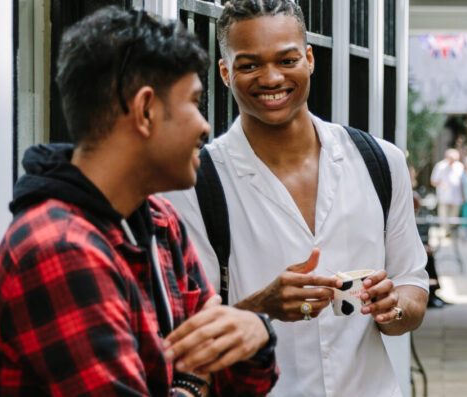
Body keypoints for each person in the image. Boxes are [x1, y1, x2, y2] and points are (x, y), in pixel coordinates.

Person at [0, 7, 278, 396]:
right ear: (146, 110)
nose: (205, 126)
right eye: (194, 102)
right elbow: (204, 375)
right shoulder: (60, 251)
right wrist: (189, 383)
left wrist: (256, 332)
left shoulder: (160, 222)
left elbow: (236, 382)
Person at [158, 1, 429, 395]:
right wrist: (263, 305)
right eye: (249, 65)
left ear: (309, 58)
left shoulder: (381, 162)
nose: (271, 78)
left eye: (286, 60)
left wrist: (394, 309)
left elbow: (411, 284)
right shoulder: (197, 182)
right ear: (225, 73)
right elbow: (189, 333)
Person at [431, 148, 465, 234]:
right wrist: (442, 184)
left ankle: (450, 231)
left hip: (456, 196)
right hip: (444, 196)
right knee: (443, 217)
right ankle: (446, 232)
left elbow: (462, 182)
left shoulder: (460, 166)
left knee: (454, 217)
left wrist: (463, 194)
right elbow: (433, 181)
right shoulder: (440, 166)